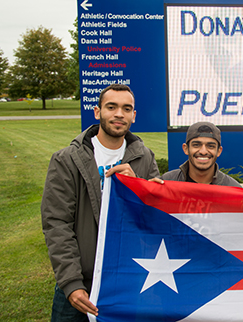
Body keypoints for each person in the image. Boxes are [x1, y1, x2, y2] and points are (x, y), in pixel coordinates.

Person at [41, 84, 160, 321]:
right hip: (82, 282)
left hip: (129, 280)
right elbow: (57, 224)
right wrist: (71, 282)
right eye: (111, 107)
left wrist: (137, 188)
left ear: (133, 116)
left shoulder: (144, 158)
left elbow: (154, 219)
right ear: (97, 112)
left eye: (127, 109)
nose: (119, 114)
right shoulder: (67, 159)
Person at [162, 121, 240, 186]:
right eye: (196, 145)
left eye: (210, 146)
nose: (203, 152)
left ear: (219, 151)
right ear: (185, 149)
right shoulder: (166, 182)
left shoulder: (231, 187)